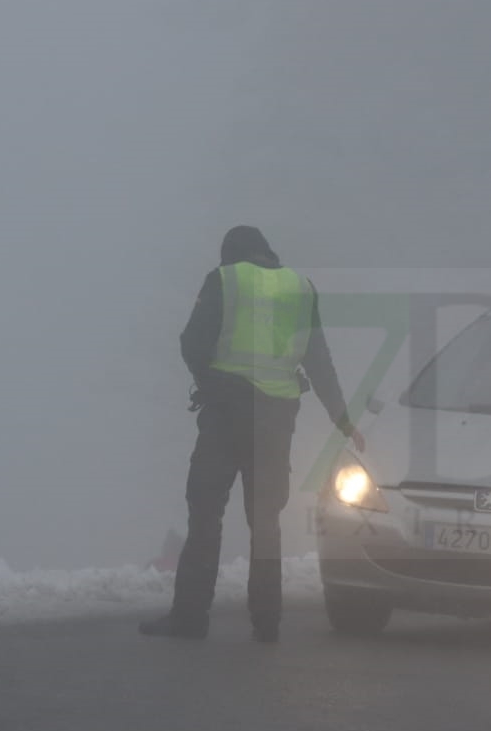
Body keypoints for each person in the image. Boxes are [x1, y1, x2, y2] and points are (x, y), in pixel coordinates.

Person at [140, 225, 363, 643]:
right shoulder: (301, 287)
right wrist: (343, 419)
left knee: (206, 513)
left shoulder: (225, 279)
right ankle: (266, 622)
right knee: (265, 520)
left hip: (226, 415)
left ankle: (190, 619)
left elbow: (192, 341)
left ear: (232, 254)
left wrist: (208, 380)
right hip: (276, 420)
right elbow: (318, 360)